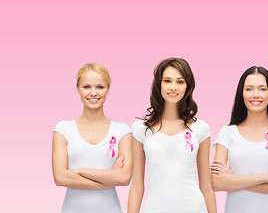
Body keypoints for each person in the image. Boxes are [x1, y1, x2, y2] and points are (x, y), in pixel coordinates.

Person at [128, 57, 216, 213]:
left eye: (180, 82)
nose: (173, 87)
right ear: (159, 84)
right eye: (167, 81)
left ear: (187, 86)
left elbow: (206, 187)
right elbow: (136, 186)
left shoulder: (200, 128)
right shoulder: (141, 128)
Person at [211, 66, 268, 213]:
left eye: (262, 89)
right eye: (249, 89)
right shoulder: (227, 133)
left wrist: (233, 180)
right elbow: (216, 183)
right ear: (241, 94)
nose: (255, 95)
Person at [52, 63, 132, 213]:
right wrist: (109, 178)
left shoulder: (122, 130)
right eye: (87, 87)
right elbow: (60, 177)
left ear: (108, 89)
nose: (93, 93)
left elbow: (124, 177)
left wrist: (77, 172)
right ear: (77, 89)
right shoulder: (63, 129)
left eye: (100, 87)